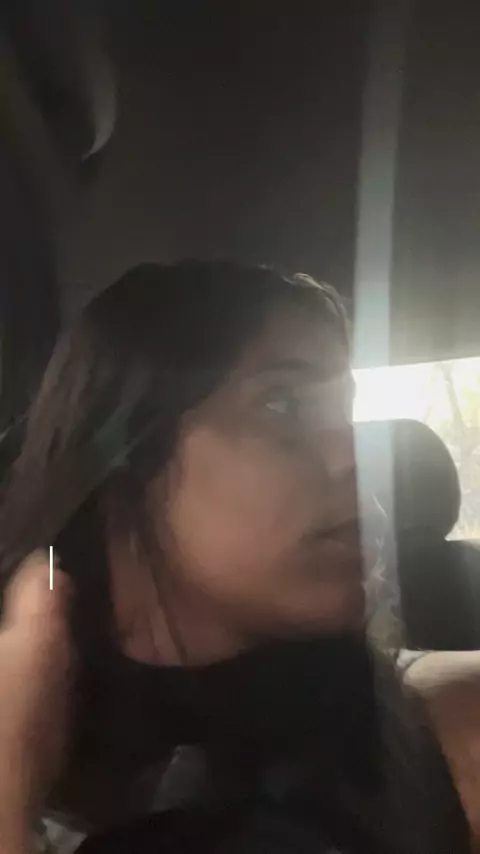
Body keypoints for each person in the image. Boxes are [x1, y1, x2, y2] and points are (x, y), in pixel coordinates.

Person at [0, 261, 477, 854]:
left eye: (345, 414)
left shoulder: (446, 730)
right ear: (125, 466)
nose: (357, 454)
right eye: (282, 406)